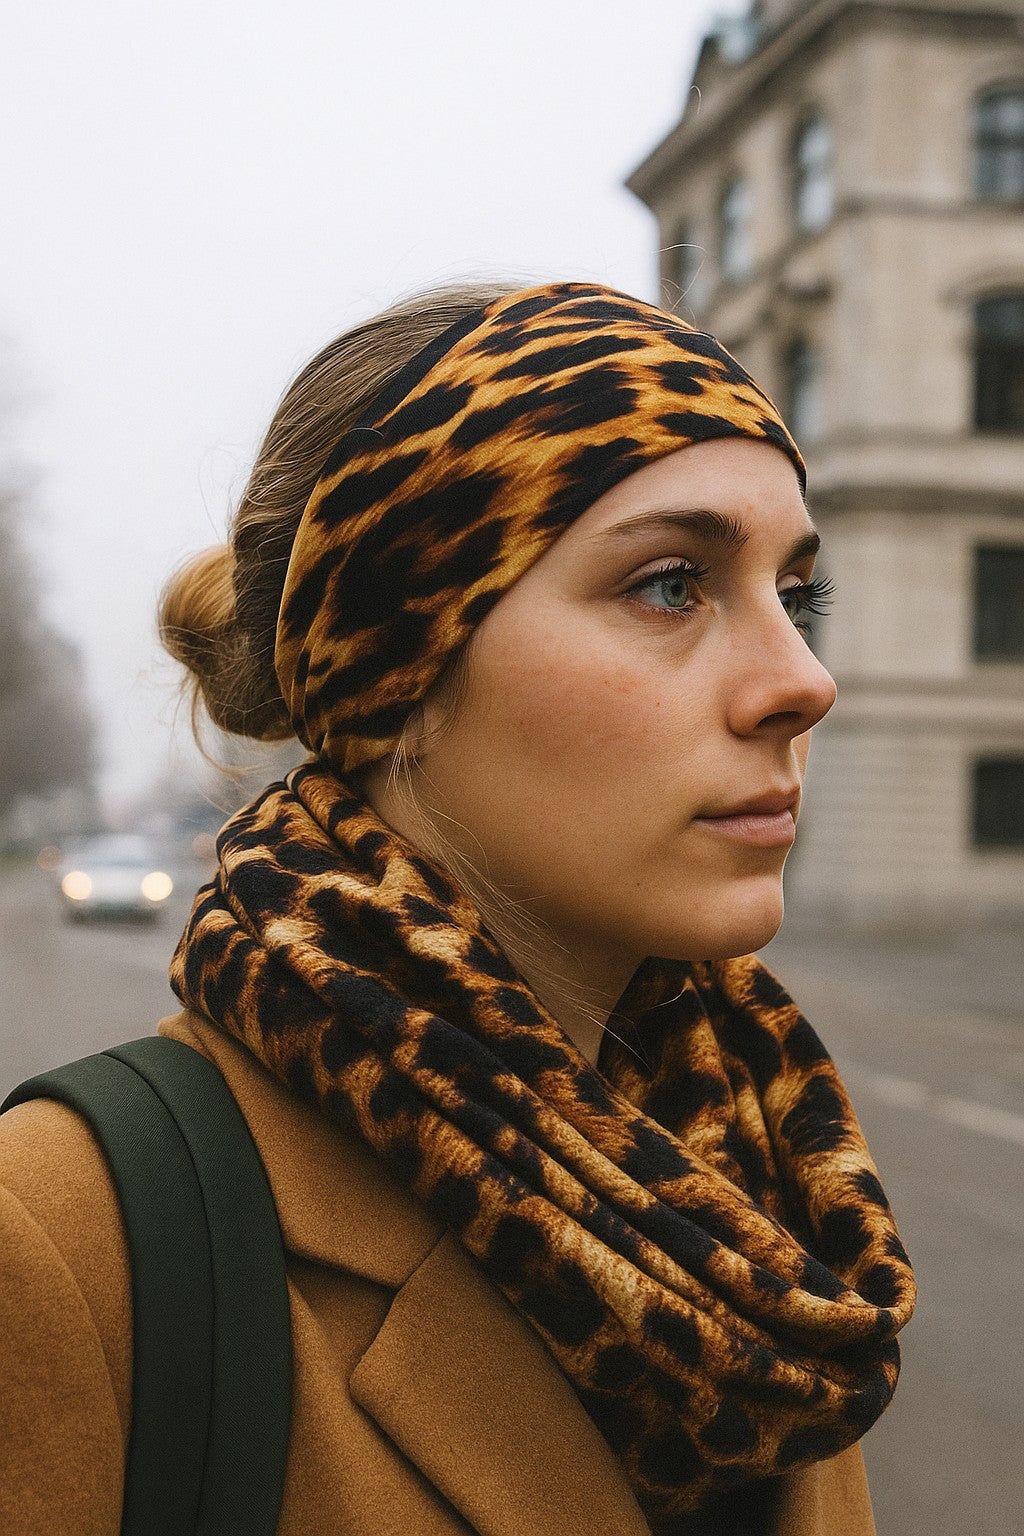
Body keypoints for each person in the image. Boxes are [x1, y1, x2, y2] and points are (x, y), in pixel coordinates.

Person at [0, 280, 915, 1535]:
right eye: (670, 585)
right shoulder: (66, 1239)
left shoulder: (769, 1193)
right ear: (400, 672)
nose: (803, 681)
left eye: (795, 595)